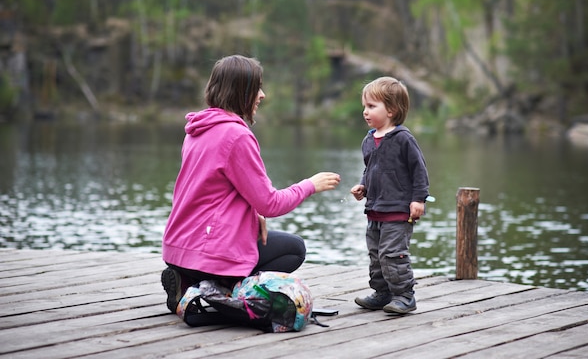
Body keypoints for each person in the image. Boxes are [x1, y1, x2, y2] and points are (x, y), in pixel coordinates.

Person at [161, 54, 341, 314]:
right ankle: (212, 287)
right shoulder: (236, 136)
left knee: (272, 243)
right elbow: (271, 203)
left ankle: (187, 279)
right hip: (208, 253)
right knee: (294, 249)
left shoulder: (197, 130)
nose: (263, 95)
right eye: (257, 88)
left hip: (177, 249)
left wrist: (252, 215)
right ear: (241, 92)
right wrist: (310, 184)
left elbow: (212, 193)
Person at [350, 76, 430, 314]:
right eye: (364, 106)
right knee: (376, 256)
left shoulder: (403, 139)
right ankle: (382, 293)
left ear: (392, 110)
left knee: (393, 254)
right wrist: (363, 186)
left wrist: (418, 199)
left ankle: (405, 295)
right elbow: (371, 168)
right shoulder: (368, 139)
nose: (365, 111)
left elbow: (419, 171)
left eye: (372, 106)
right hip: (375, 210)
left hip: (397, 210)